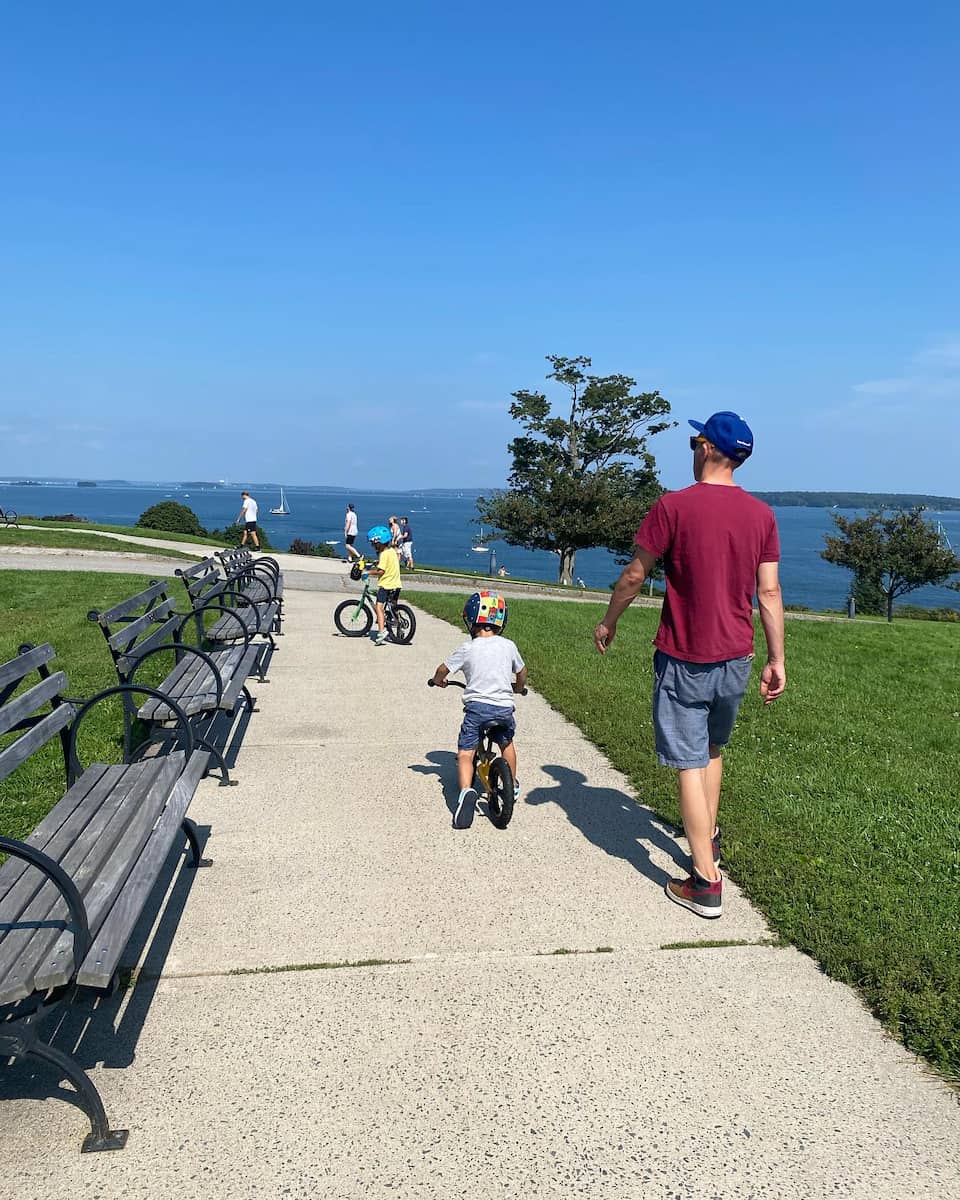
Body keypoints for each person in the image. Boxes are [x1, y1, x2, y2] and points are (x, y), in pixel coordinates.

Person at [593, 411, 786, 919]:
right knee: (712, 748)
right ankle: (709, 837)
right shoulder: (761, 515)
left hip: (684, 657)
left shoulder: (672, 506)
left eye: (694, 441)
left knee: (688, 761)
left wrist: (609, 621)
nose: (693, 448)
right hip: (737, 656)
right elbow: (768, 592)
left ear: (707, 449)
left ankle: (704, 881)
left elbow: (634, 575)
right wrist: (777, 658)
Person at [431, 591, 527, 830]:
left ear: (471, 619)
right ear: (501, 621)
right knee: (507, 744)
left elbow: (443, 669)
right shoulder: (509, 646)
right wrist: (518, 687)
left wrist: (438, 680)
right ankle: (512, 785)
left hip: (477, 710)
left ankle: (466, 792)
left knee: (465, 753)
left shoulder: (468, 648)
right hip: (503, 709)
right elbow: (522, 671)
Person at [365, 525, 401, 646]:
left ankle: (381, 632)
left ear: (378, 543)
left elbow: (381, 571)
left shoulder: (384, 554)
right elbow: (387, 564)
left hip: (386, 585)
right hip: (396, 584)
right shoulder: (392, 552)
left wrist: (368, 572)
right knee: (393, 607)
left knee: (379, 607)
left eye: (373, 543)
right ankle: (399, 625)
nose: (372, 546)